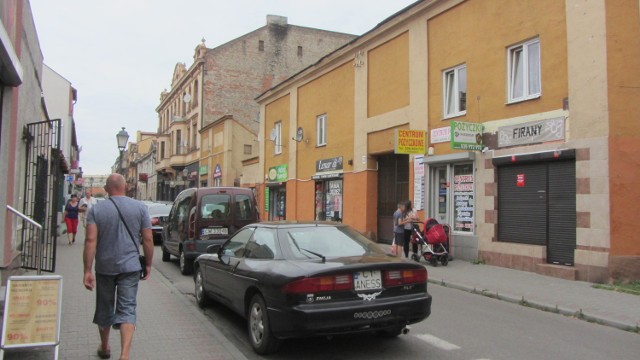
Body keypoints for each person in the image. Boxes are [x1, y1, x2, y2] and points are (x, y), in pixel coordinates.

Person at [83, 174, 153, 360]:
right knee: (128, 309)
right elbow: (147, 239)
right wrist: (148, 264)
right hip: (130, 267)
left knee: (105, 306)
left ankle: (105, 347)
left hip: (105, 267)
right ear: (125, 187)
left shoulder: (96, 210)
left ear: (106, 188)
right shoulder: (140, 208)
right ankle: (124, 355)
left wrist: (87, 271)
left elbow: (90, 240)